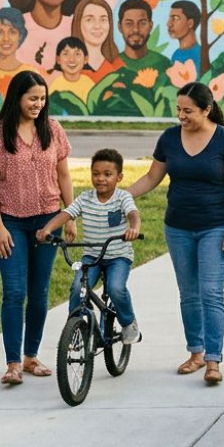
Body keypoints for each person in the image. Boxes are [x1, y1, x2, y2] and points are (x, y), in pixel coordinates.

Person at [127, 81, 224, 385]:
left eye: (188, 110)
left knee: (210, 292)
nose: (181, 115)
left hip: (215, 227)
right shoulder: (169, 138)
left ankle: (213, 359)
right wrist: (122, 197)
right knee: (189, 294)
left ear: (206, 110)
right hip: (177, 227)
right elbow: (153, 177)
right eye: (178, 109)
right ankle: (195, 352)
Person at [0, 70, 74, 386]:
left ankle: (31, 357)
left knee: (39, 292)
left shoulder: (53, 130)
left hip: (48, 220)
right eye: (33, 98)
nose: (38, 104)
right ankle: (13, 363)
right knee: (15, 292)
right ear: (17, 97)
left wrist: (69, 215)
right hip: (11, 223)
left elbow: (64, 176)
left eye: (43, 99)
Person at [38, 148, 142, 345]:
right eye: (96, 174)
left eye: (107, 174)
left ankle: (129, 322)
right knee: (78, 288)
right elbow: (67, 214)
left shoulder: (122, 197)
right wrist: (47, 229)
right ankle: (76, 328)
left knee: (115, 288)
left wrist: (134, 228)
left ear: (119, 177)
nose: (100, 179)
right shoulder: (86, 198)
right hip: (92, 256)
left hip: (118, 256)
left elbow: (133, 215)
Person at [113, 0, 172, 83]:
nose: (136, 29)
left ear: (150, 26)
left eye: (142, 23)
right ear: (120, 27)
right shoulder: (111, 66)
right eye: (129, 23)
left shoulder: (164, 65)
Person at [71, 0, 122, 79]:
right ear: (78, 23)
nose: (97, 26)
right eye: (89, 20)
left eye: (103, 20)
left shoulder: (118, 68)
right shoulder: (66, 67)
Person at [48, 36, 96, 103]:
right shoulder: (55, 85)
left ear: (85, 59)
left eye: (77, 54)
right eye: (66, 54)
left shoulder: (88, 84)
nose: (71, 59)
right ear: (58, 59)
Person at [167, 0, 201, 68]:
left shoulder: (199, 55)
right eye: (170, 18)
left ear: (190, 23)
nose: (169, 24)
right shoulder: (176, 54)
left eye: (175, 18)